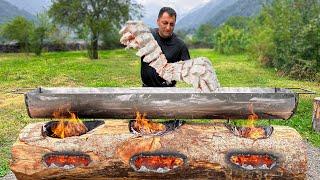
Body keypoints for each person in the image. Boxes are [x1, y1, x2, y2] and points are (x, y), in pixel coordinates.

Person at [141, 7, 190, 87]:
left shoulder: (180, 45)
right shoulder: (147, 37)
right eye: (165, 23)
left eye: (171, 24)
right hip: (146, 88)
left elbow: (188, 70)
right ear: (158, 22)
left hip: (169, 91)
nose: (168, 28)